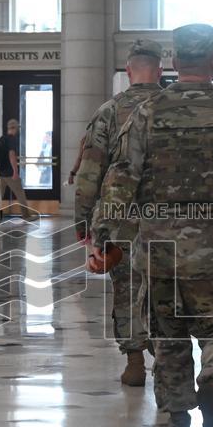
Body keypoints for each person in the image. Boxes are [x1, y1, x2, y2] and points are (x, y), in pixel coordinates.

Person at [90, 23, 213, 427]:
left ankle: (177, 421)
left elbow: (120, 181)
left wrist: (107, 237)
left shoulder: (146, 114)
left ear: (173, 63)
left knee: (169, 335)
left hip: (157, 248)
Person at [75, 39, 164, 390]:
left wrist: (84, 221)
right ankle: (167, 354)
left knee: (127, 286)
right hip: (170, 219)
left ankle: (134, 361)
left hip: (121, 217)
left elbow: (90, 170)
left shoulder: (109, 111)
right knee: (165, 286)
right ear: (160, 70)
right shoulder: (172, 107)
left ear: (128, 71)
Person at [0, 119, 34, 219]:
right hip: (9, 173)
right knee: (20, 194)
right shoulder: (11, 139)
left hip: (0, 173)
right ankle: (26, 215)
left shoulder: (0, 139)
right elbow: (12, 155)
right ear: (15, 128)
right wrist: (15, 171)